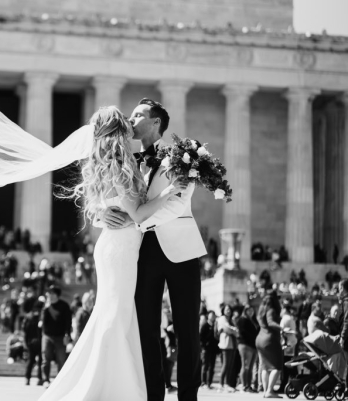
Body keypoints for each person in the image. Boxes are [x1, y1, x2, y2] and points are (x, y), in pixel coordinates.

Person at [39, 106, 188, 400]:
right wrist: (170, 192)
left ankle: (108, 383)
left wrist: (102, 211)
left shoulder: (107, 162)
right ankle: (112, 388)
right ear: (120, 131)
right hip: (120, 247)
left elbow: (105, 205)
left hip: (115, 244)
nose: (132, 125)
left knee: (113, 314)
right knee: (116, 315)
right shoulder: (120, 163)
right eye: (128, 122)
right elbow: (138, 212)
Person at [94, 100, 205, 401]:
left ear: (156, 123)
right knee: (145, 327)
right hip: (140, 252)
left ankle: (188, 396)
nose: (130, 118)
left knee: (187, 329)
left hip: (181, 250)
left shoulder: (184, 156)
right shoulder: (125, 160)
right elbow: (107, 198)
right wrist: (101, 215)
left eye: (138, 115)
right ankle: (153, 394)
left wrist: (137, 219)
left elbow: (178, 203)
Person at [40, 285, 72, 389]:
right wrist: (46, 308)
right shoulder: (46, 306)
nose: (50, 295)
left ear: (57, 295)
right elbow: (43, 322)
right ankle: (46, 380)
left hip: (60, 336)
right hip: (47, 336)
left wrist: (67, 334)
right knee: (45, 358)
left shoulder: (64, 305)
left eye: (53, 293)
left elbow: (68, 321)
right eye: (49, 293)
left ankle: (60, 380)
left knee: (61, 359)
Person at [255, 289, 284, 399]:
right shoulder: (271, 309)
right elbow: (271, 322)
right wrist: (282, 328)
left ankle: (265, 391)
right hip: (269, 339)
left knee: (265, 367)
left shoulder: (261, 309)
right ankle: (269, 391)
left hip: (260, 339)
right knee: (277, 366)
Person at [236, 305, 259, 393]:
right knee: (245, 366)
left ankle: (249, 386)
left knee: (250, 367)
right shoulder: (242, 320)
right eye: (248, 310)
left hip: (253, 346)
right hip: (245, 345)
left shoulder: (252, 320)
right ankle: (244, 385)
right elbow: (243, 332)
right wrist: (254, 337)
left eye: (252, 310)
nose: (250, 312)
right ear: (245, 311)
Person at [216, 304, 239, 392]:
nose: (228, 311)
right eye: (226, 309)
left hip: (232, 344)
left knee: (230, 365)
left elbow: (236, 330)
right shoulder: (222, 318)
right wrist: (234, 330)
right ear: (223, 310)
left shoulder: (231, 319)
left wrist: (234, 330)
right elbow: (227, 329)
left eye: (229, 309)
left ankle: (227, 384)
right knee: (225, 365)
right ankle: (221, 384)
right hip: (225, 344)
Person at [23, 300, 44, 386]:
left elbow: (25, 330)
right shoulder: (42, 316)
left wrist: (26, 341)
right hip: (39, 341)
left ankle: (27, 378)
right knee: (39, 362)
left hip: (31, 342)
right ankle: (39, 379)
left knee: (31, 361)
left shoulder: (29, 317)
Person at [200, 311, 218, 389]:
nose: (212, 317)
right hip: (206, 349)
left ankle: (209, 383)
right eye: (211, 315)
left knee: (212, 366)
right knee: (205, 365)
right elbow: (201, 337)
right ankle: (203, 382)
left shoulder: (215, 326)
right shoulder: (205, 325)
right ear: (208, 316)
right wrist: (204, 346)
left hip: (213, 349)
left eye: (214, 316)